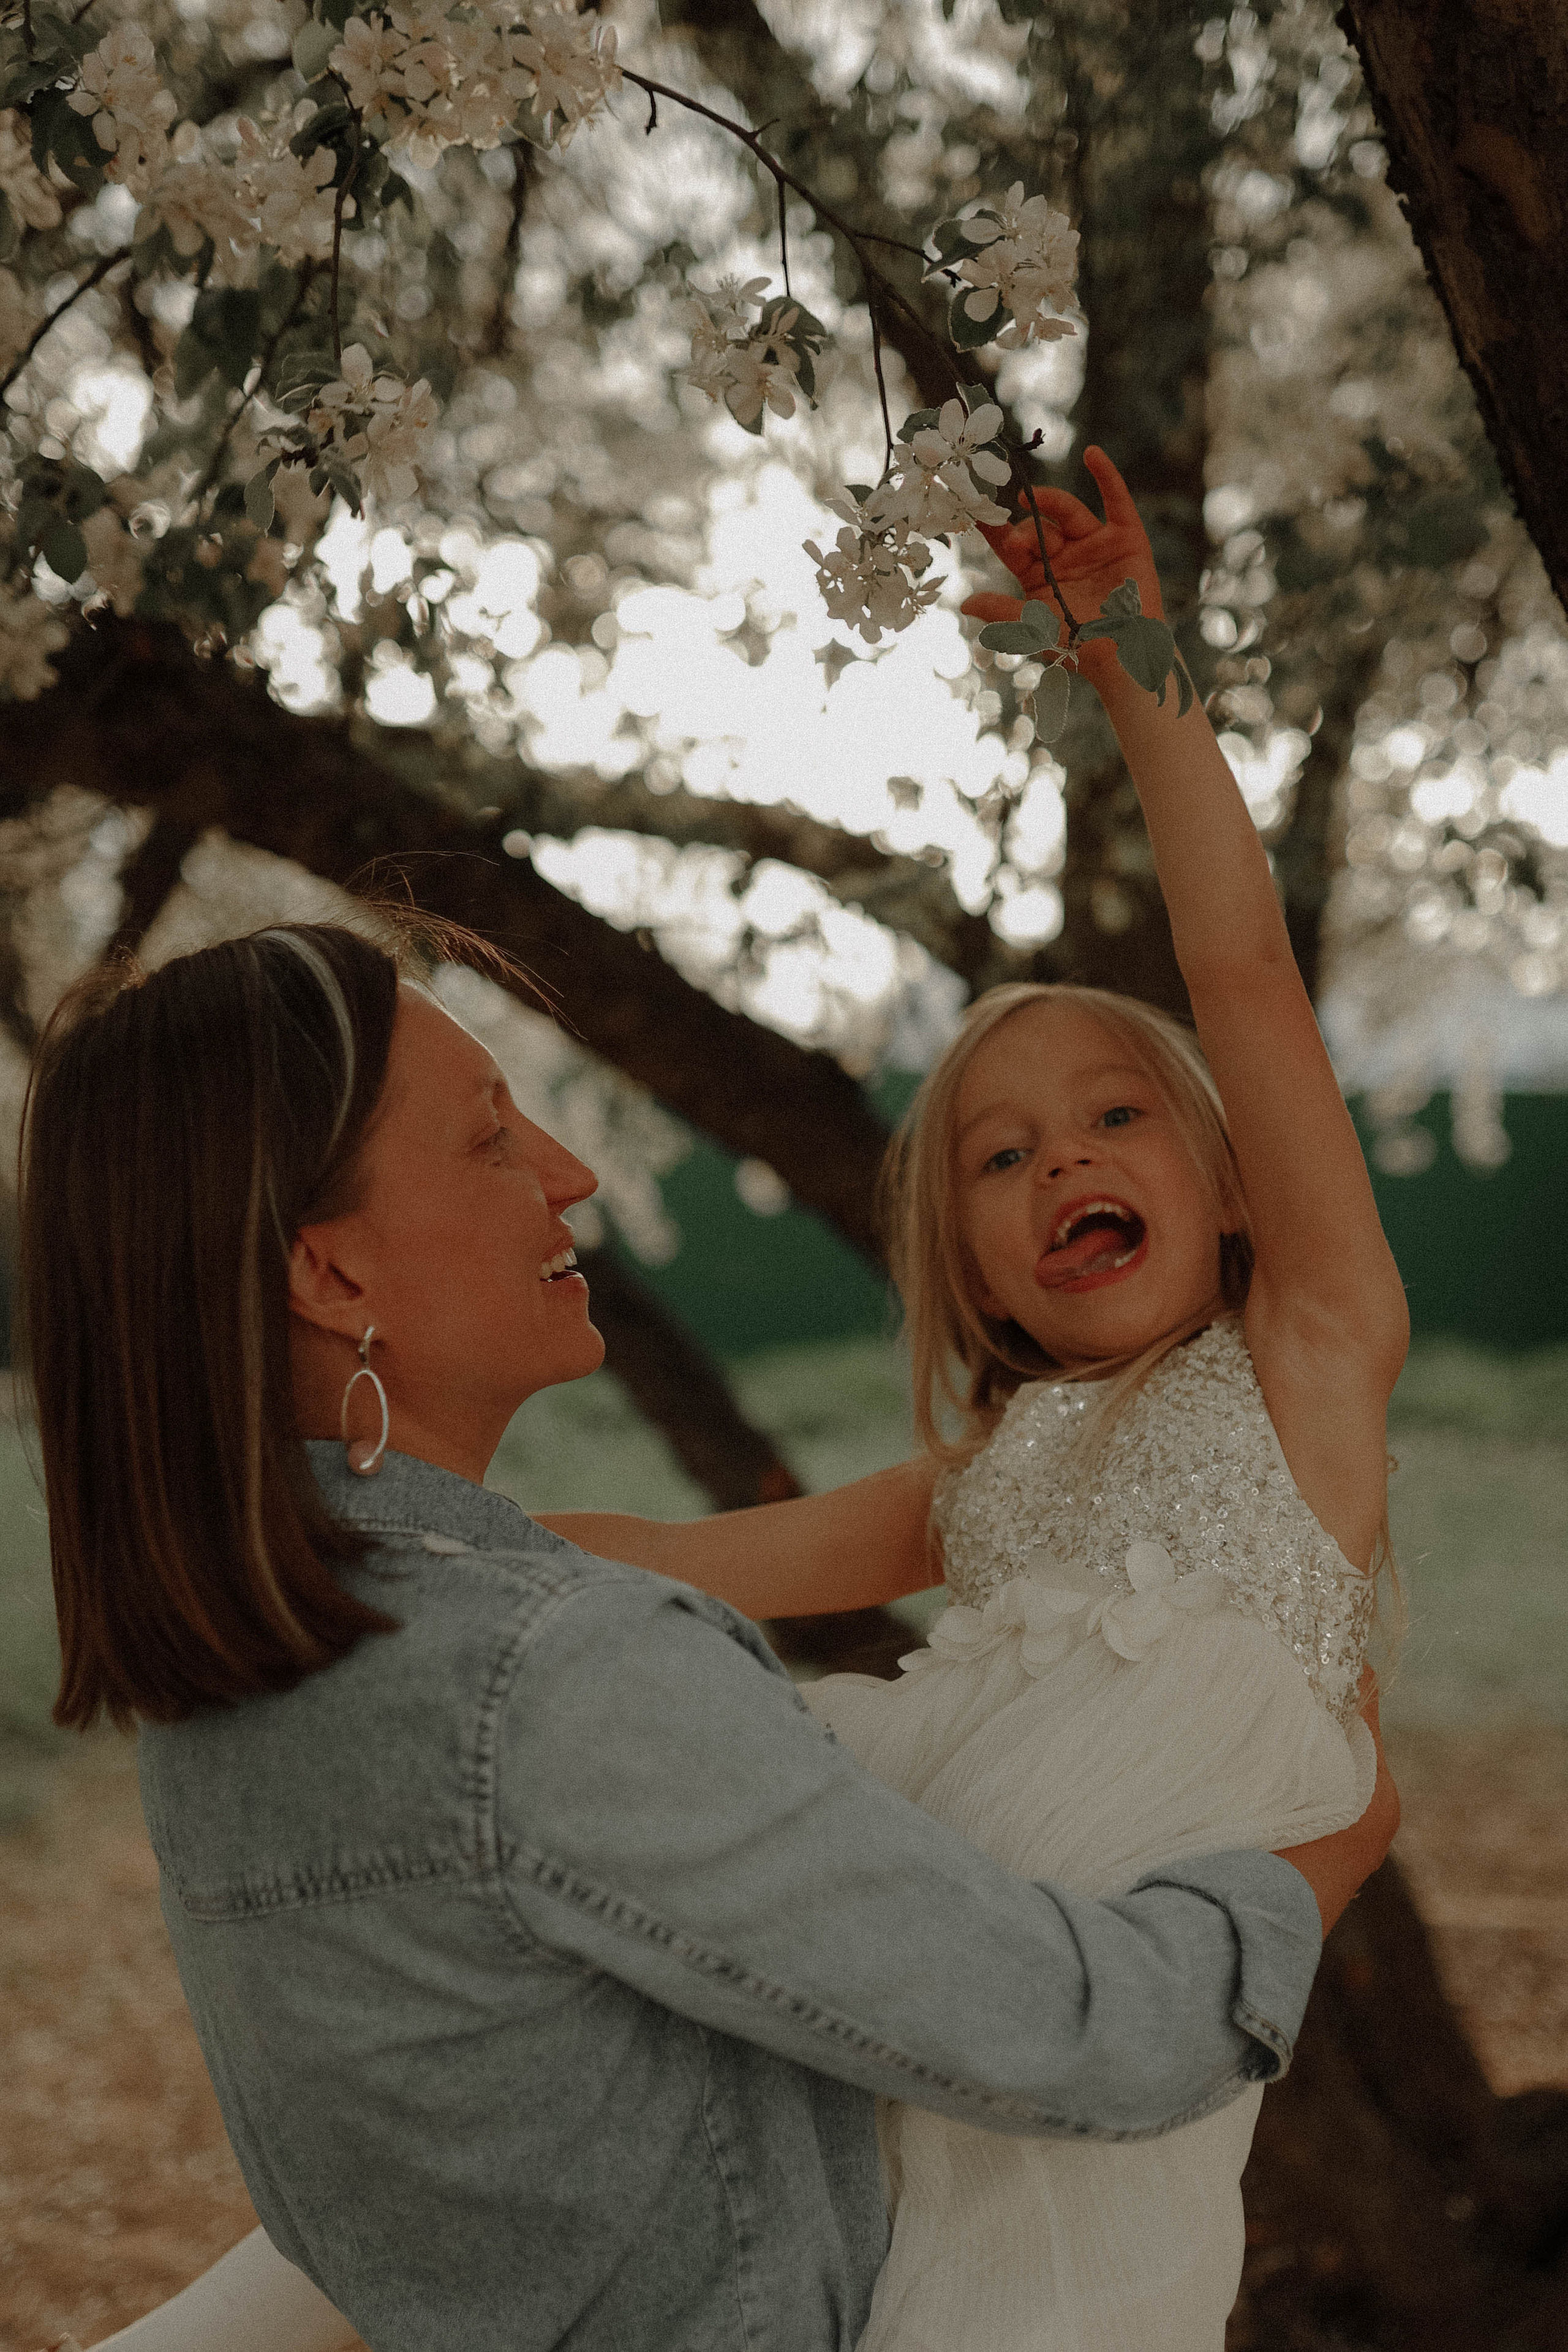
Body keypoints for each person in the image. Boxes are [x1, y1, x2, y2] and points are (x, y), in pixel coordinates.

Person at [18, 895, 1395, 2340]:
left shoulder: (253, 1681)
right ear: (329, 1271)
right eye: (492, 1136)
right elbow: (1083, 2036)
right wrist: (1308, 1877)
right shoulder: (545, 1677)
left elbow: (355, 2241)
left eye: (1116, 1117)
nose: (569, 1173)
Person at [545, 450, 1412, 2348]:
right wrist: (406, 1545)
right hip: (899, 1967)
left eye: (1113, 1121)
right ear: (972, 1261)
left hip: (1091, 2085)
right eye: (999, 1160)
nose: (1057, 1166)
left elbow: (1245, 976)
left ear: (1231, 1179)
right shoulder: (981, 1484)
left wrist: (1133, 666)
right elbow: (671, 1556)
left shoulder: (1310, 1358)